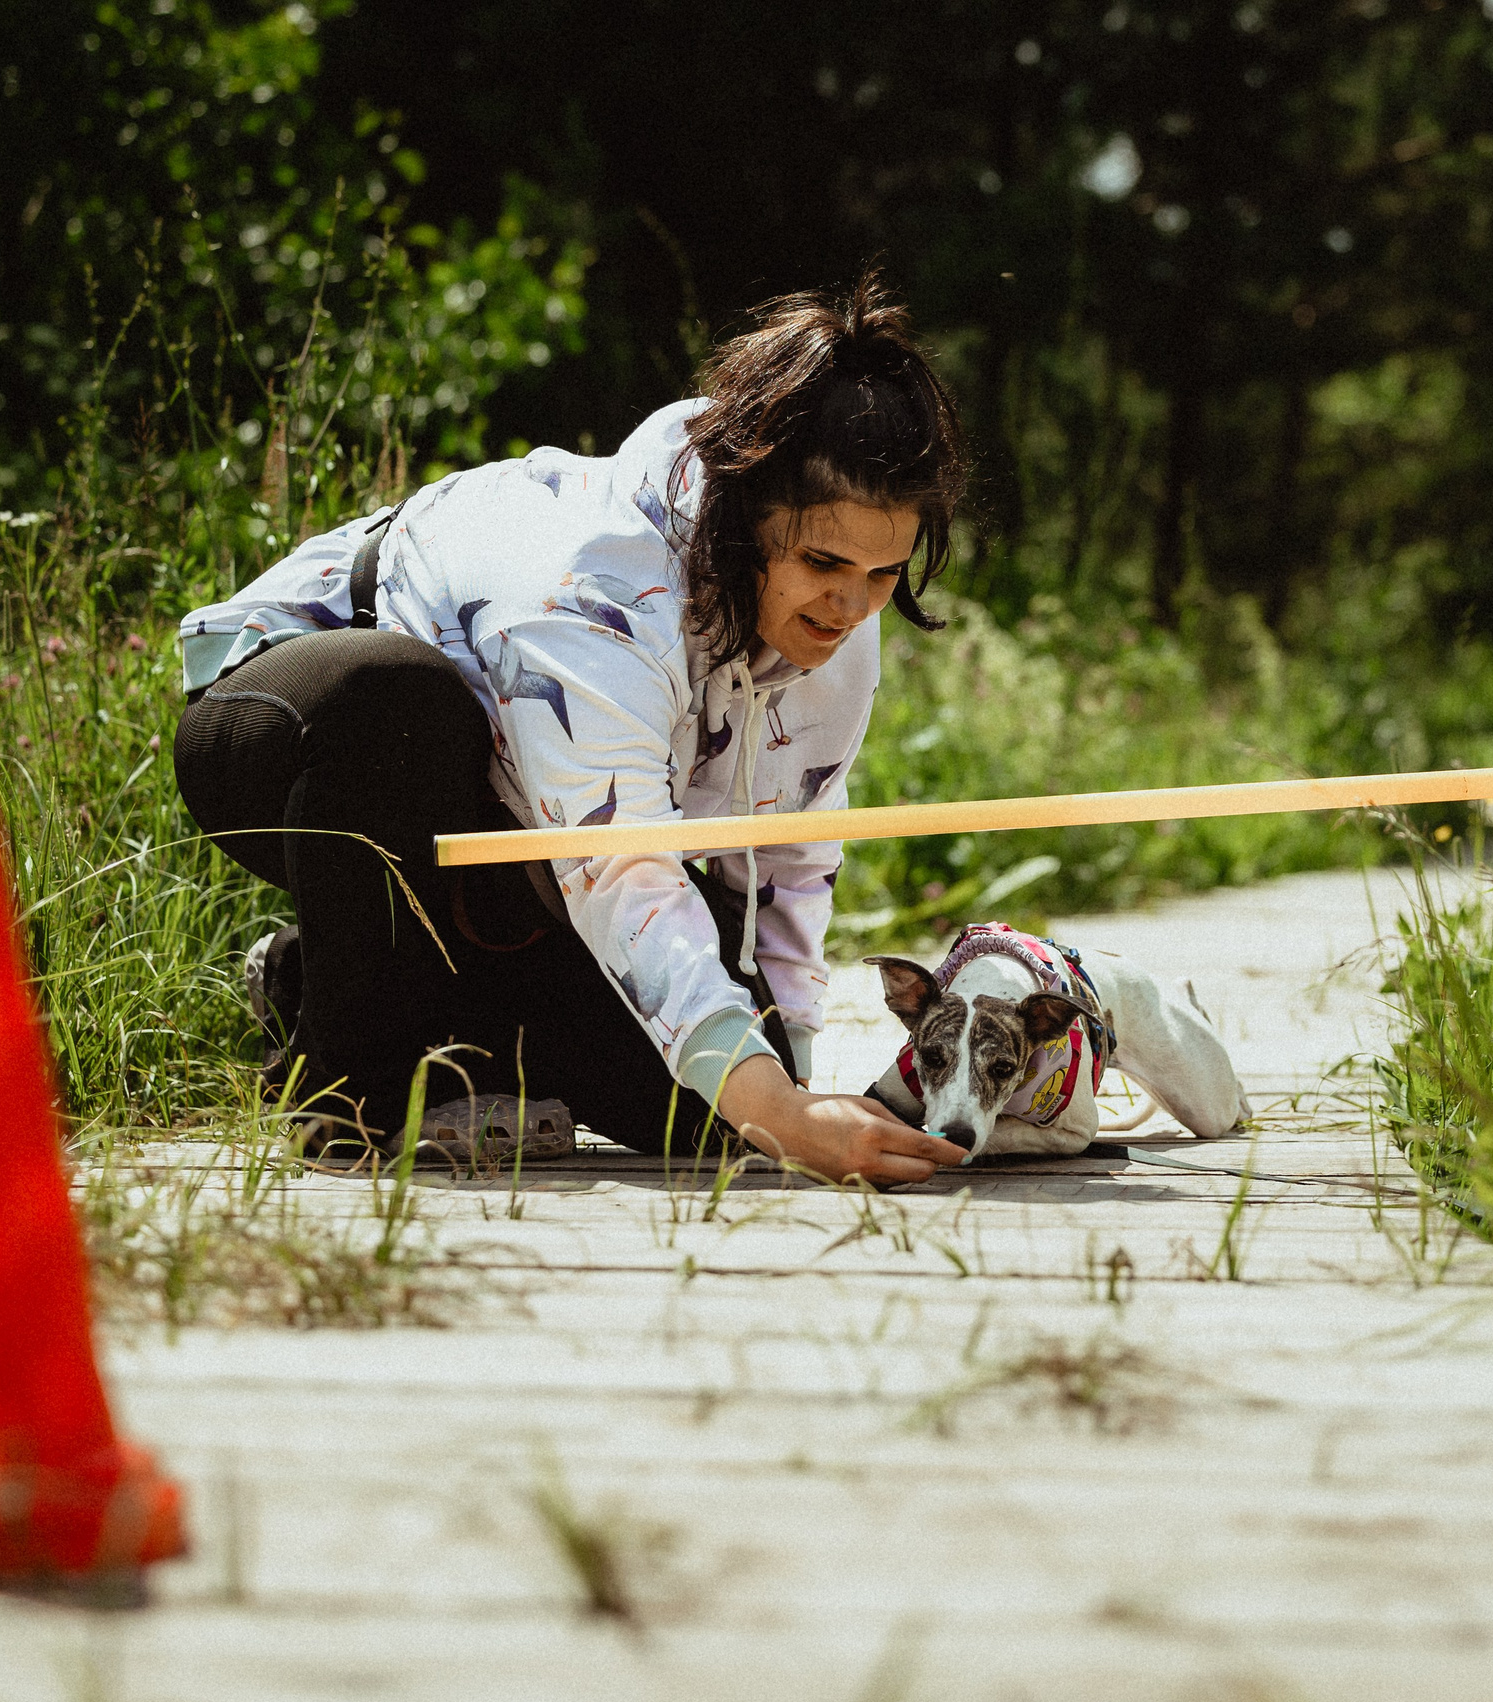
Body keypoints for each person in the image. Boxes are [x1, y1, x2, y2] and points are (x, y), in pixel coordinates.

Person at [173, 277, 972, 1185]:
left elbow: (786, 856)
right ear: (742, 517)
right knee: (398, 704)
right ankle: (353, 1081)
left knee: (713, 1117)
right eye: (823, 562)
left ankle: (320, 980)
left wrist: (791, 1076)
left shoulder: (844, 620)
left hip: (517, 831)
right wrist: (784, 1117)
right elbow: (622, 870)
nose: (851, 604)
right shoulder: (593, 593)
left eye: (882, 573)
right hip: (306, 730)